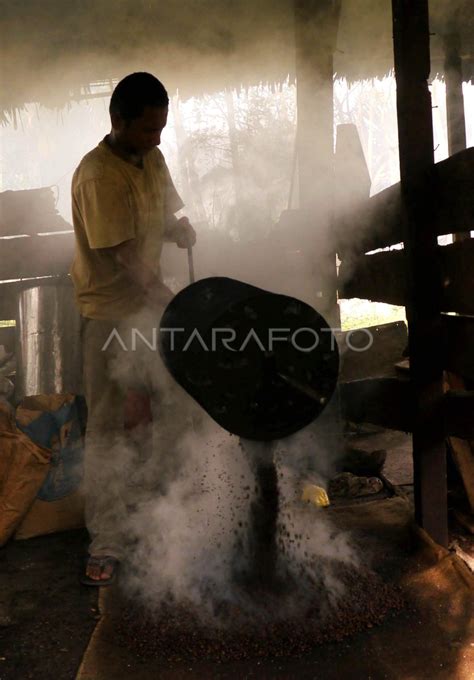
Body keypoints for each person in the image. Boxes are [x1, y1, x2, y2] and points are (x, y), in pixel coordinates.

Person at [70, 72, 196, 585]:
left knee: (161, 410)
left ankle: (157, 516)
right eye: (147, 129)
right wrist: (171, 301)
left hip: (149, 309)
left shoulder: (153, 157)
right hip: (110, 314)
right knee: (106, 424)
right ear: (117, 120)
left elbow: (161, 213)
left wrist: (178, 228)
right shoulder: (97, 175)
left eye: (162, 128)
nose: (157, 138)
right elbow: (124, 255)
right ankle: (107, 538)